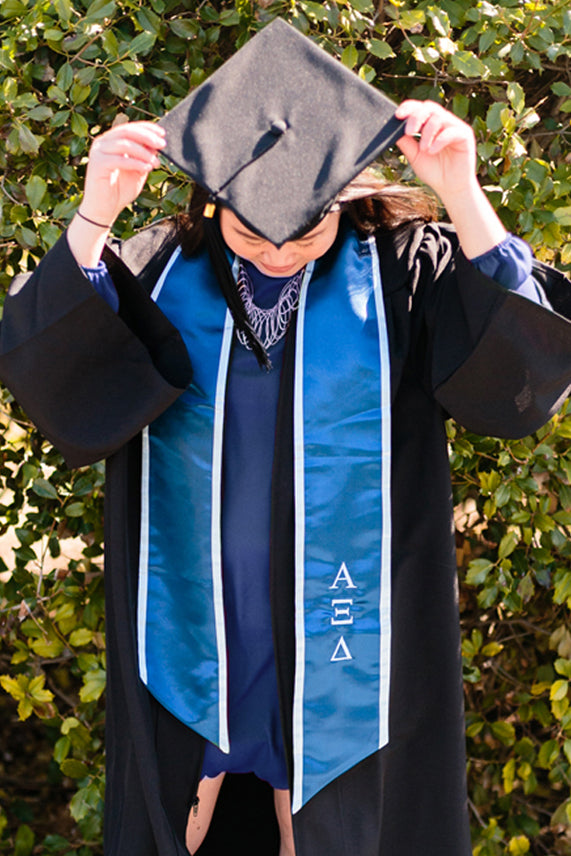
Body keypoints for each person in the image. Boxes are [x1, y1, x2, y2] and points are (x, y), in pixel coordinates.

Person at [1, 18, 571, 856]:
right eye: (246, 230)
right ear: (210, 199)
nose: (274, 250)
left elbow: (518, 379)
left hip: (351, 624)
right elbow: (56, 376)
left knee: (338, 822)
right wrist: (92, 215)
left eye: (304, 231)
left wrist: (463, 192)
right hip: (194, 626)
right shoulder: (161, 269)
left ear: (347, 197)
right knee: (182, 808)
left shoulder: (402, 271)